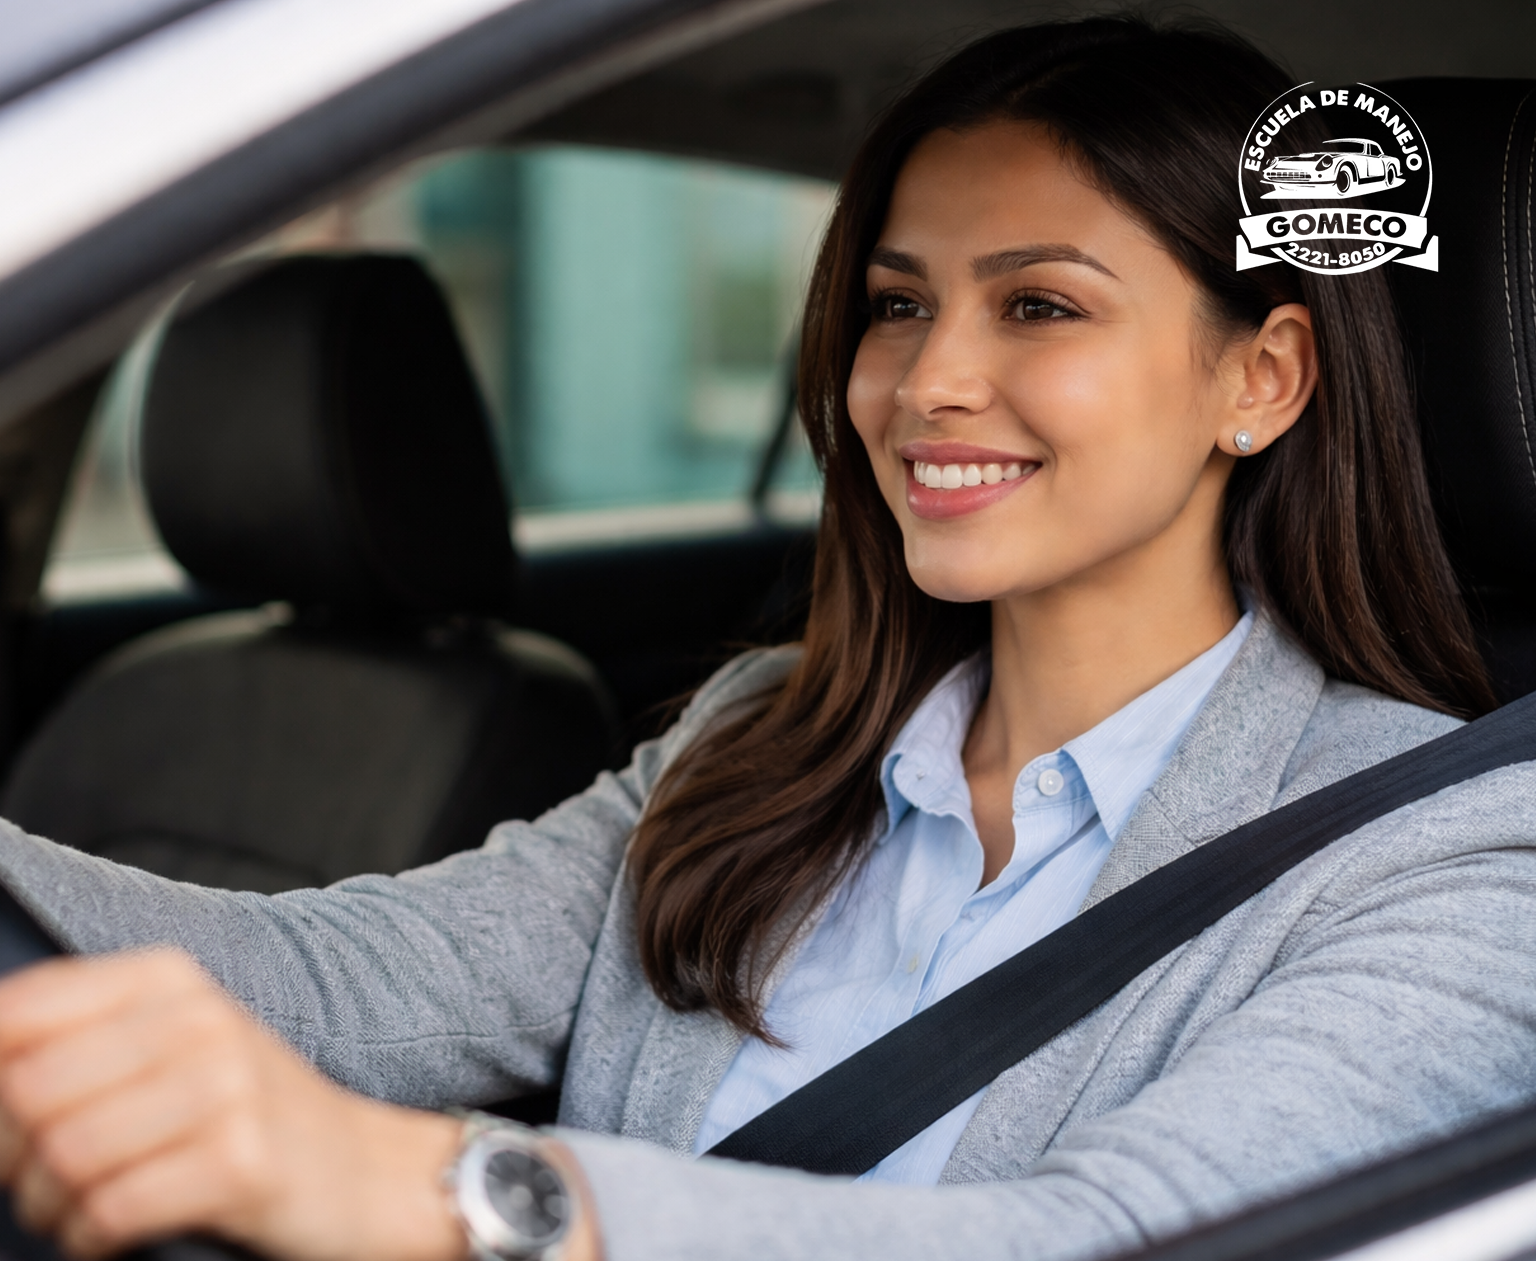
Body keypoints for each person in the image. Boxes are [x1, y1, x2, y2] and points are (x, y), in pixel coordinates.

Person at [0, 15, 1530, 1261]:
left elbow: (1103, 1239)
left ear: (1259, 380)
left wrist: (451, 1200)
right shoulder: (766, 735)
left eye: (1041, 308)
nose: (927, 383)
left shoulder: (1461, 857)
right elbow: (342, 987)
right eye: (896, 304)